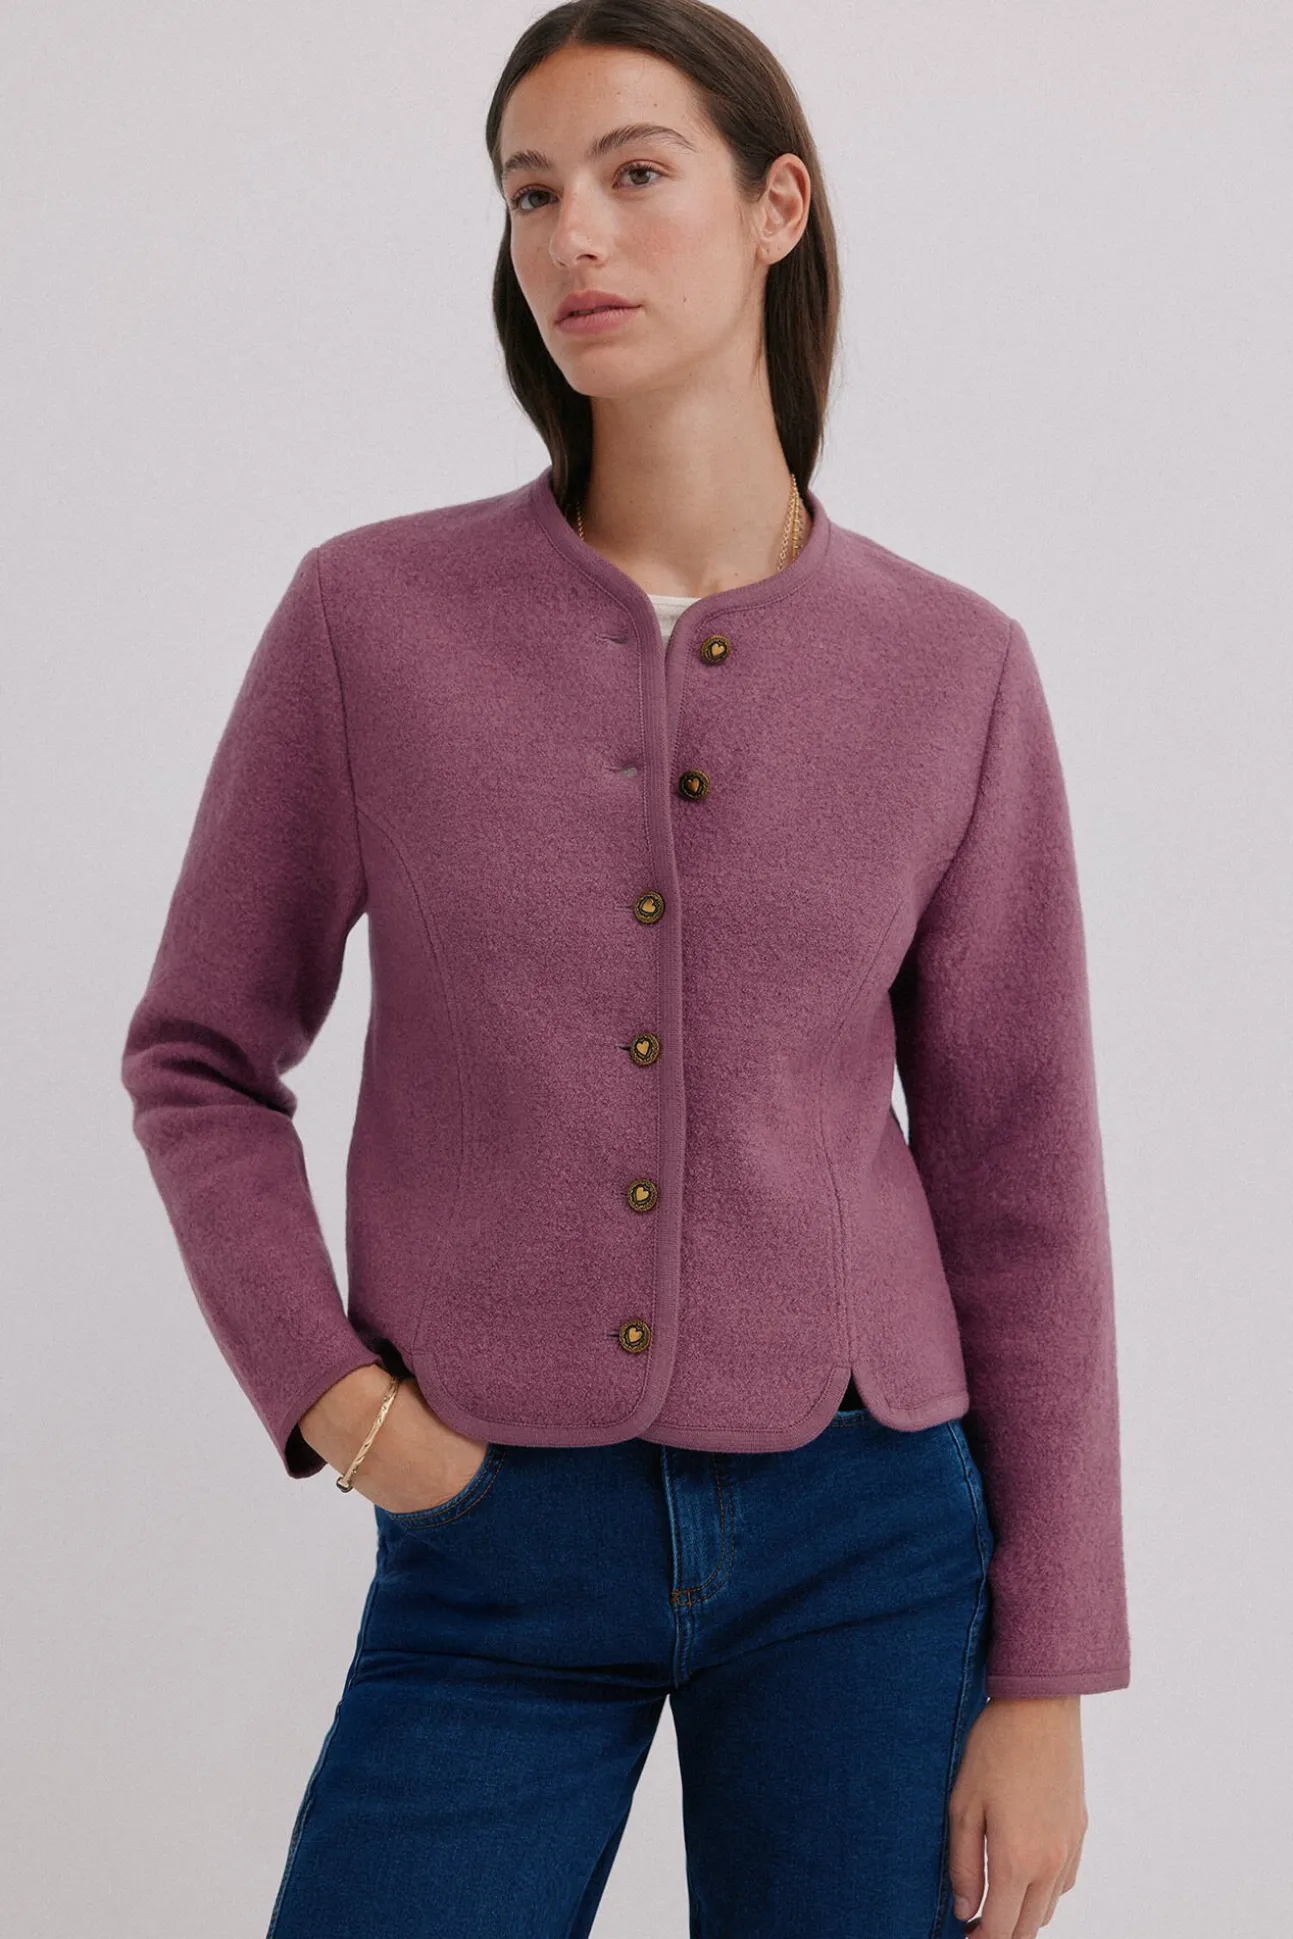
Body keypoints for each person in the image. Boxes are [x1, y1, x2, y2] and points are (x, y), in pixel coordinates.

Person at [119, 4, 1130, 1935]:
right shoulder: (369, 620)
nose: (572, 233)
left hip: (871, 1536)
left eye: (634, 173)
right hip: (492, 1539)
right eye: (529, 192)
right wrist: (342, 1404)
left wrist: (1049, 1670)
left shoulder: (955, 668)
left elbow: (1024, 1180)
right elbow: (198, 1056)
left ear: (775, 207)